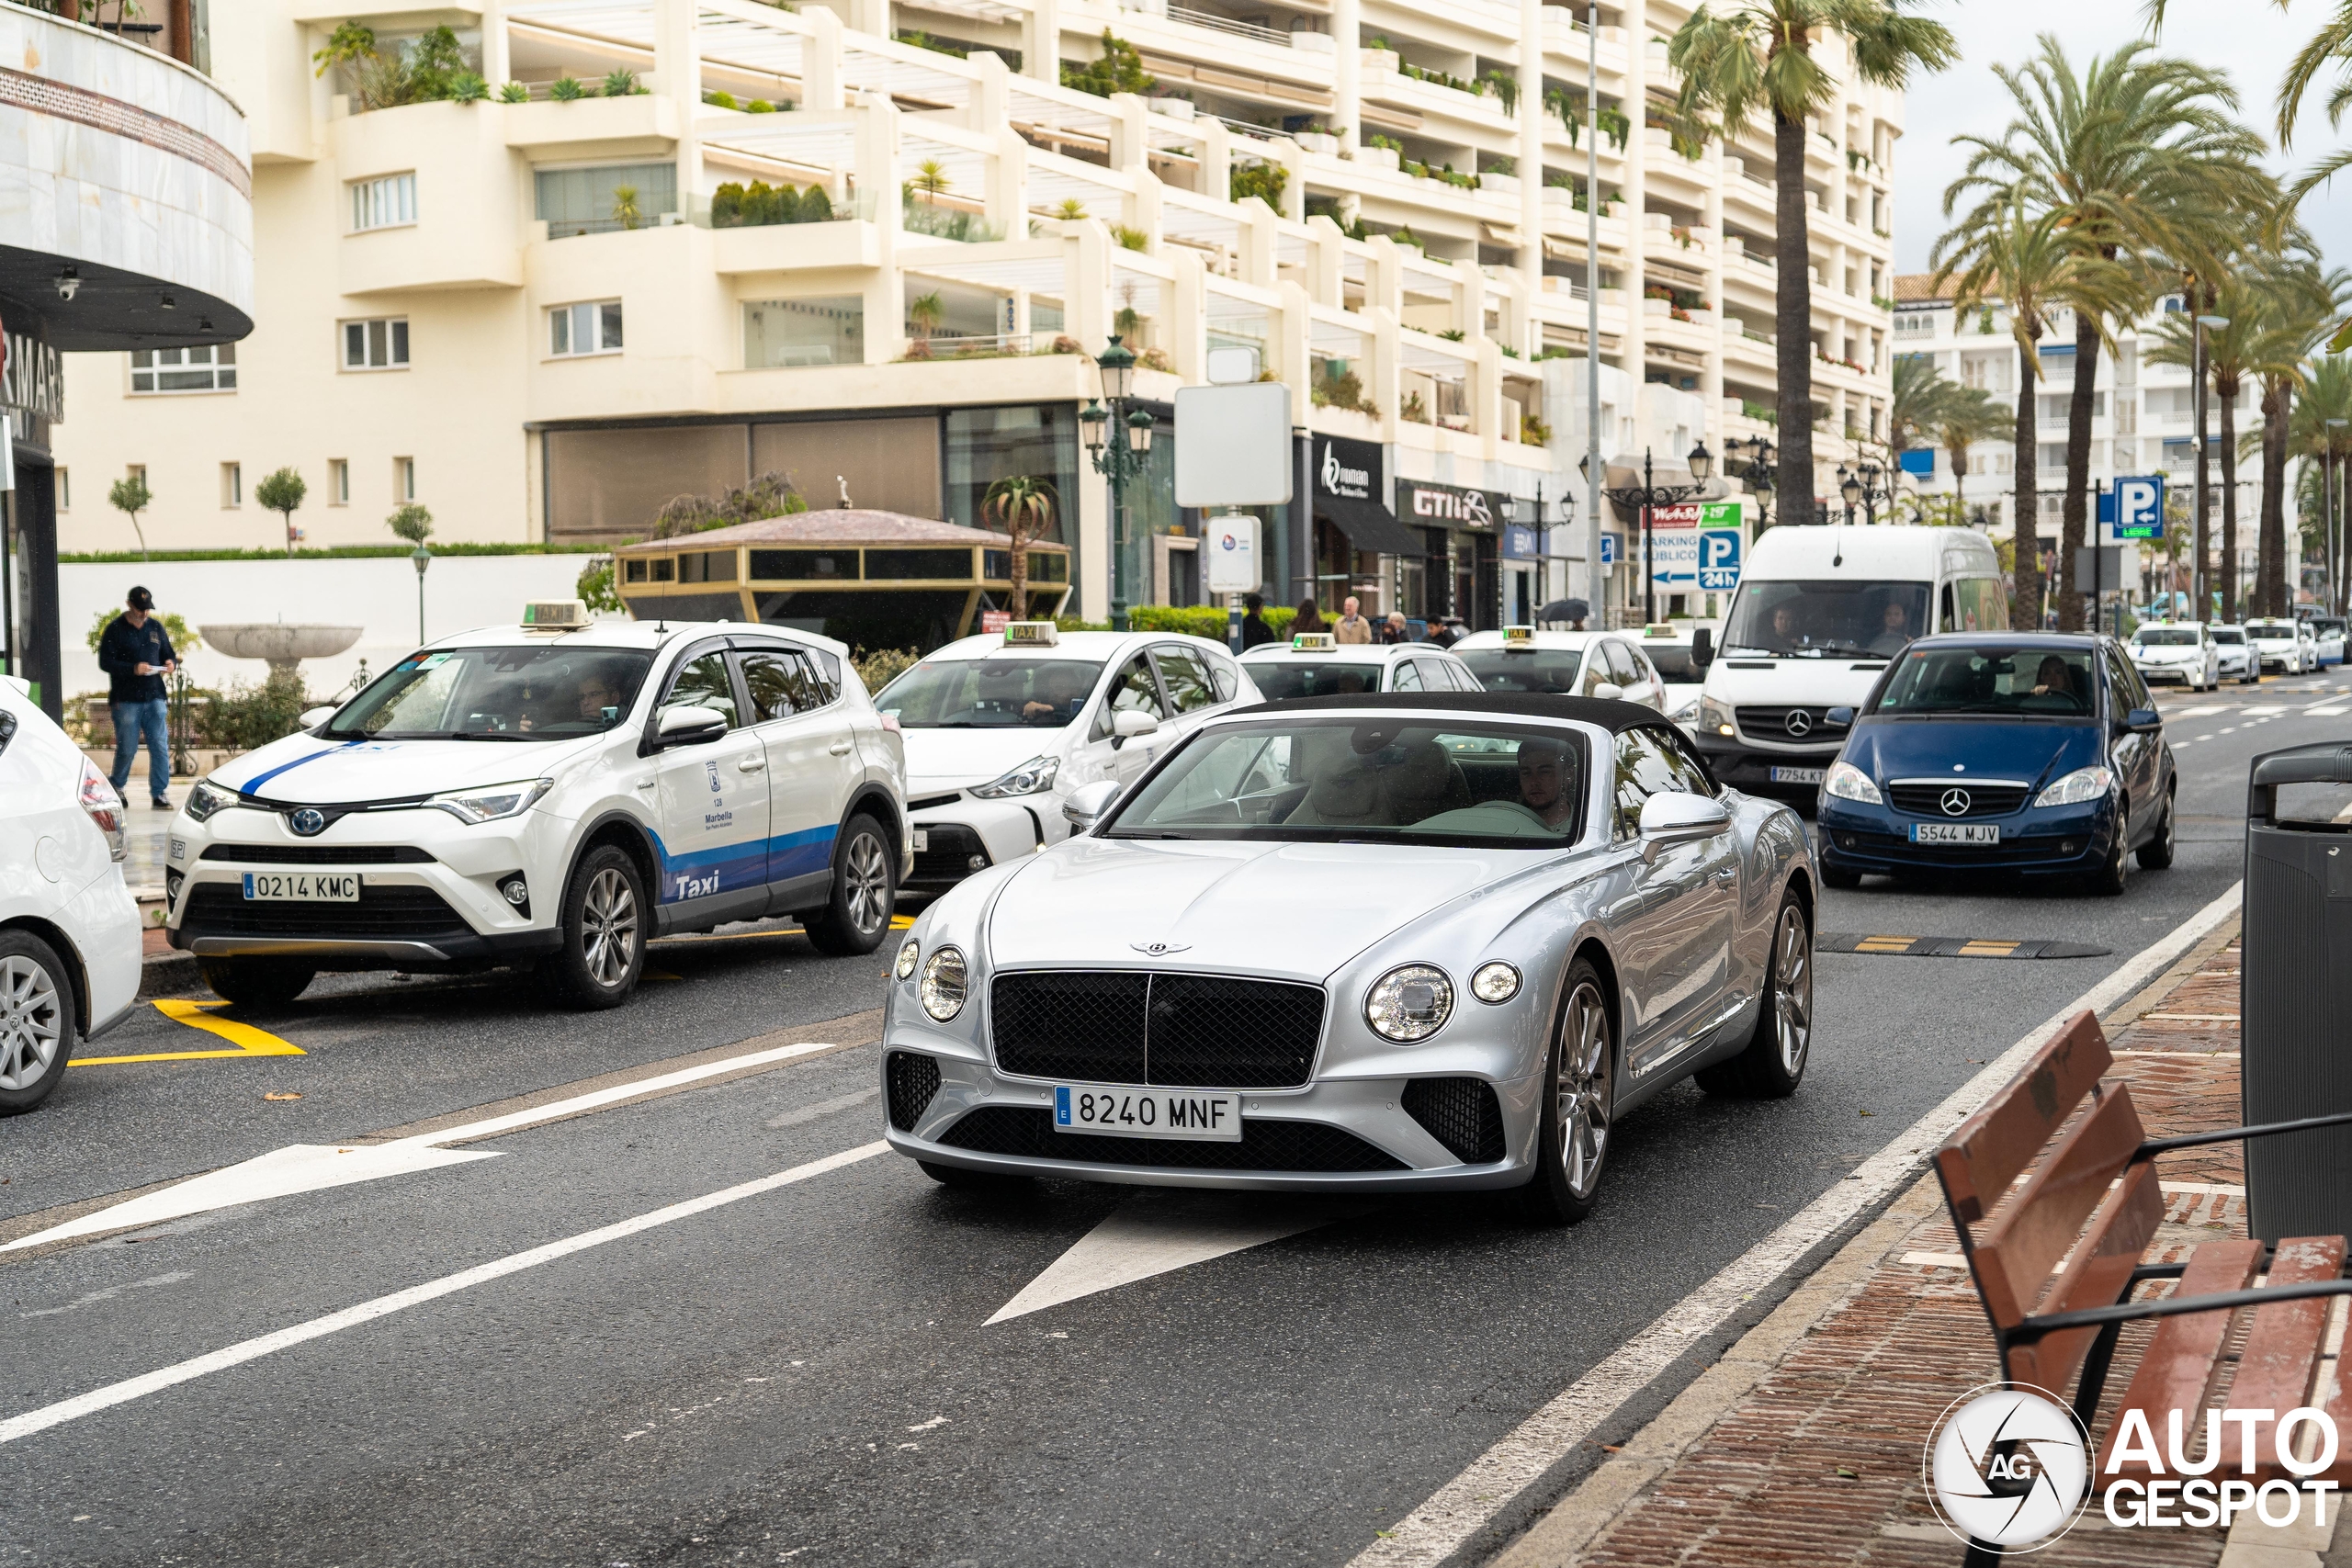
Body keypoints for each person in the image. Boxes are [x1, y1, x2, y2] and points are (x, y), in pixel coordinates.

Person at [98, 586, 177, 808]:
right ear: (129, 604)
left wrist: (171, 663)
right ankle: (118, 786)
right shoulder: (115, 629)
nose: (144, 613)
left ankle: (160, 793)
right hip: (126, 699)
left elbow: (168, 653)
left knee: (160, 745)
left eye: (147, 609)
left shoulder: (155, 627)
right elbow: (106, 662)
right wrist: (132, 669)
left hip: (155, 695)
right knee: (128, 747)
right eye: (140, 609)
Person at [1515, 737, 1576, 829]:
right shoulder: (1507, 823)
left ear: (1569, 775)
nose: (1534, 782)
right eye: (1526, 773)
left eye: (1545, 772)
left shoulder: (1586, 826)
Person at [1021, 663, 1090, 724]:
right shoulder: (1041, 700)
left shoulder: (1085, 705)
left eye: (1059, 688)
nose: (1054, 693)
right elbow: (1017, 708)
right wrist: (1028, 707)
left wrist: (1052, 709)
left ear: (1075, 691)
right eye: (1050, 689)